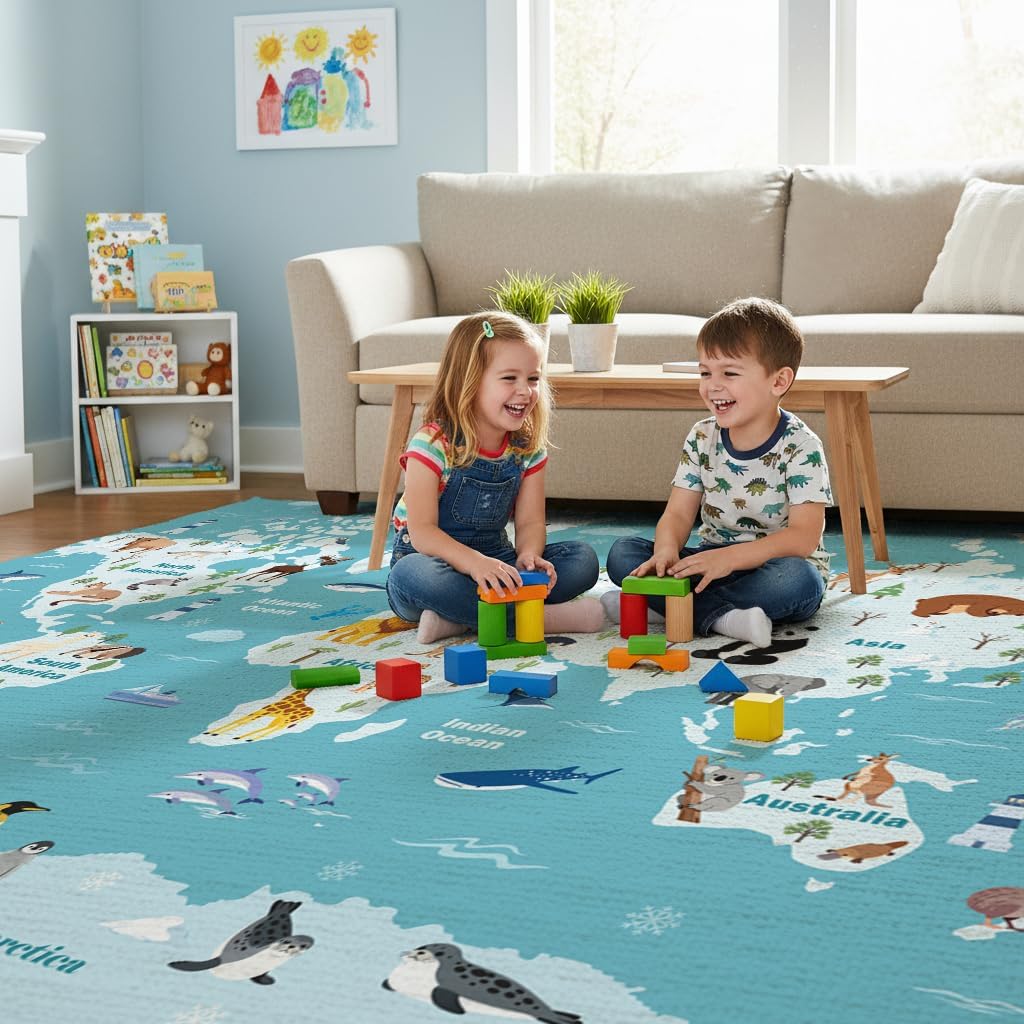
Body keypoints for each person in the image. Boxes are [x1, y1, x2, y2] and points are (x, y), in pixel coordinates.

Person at [605, 297, 832, 649]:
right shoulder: (701, 436)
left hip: (773, 566)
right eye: (705, 372)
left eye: (729, 373)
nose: (712, 385)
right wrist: (666, 550)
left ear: (778, 381)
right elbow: (678, 514)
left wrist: (729, 559)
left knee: (797, 581)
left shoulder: (802, 445)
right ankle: (722, 616)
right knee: (623, 553)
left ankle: (674, 606)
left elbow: (802, 538)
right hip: (708, 560)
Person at [386, 312, 602, 644]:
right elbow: (423, 533)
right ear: (469, 382)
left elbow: (531, 522)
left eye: (533, 378)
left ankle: (458, 620)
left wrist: (529, 554)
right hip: (433, 560)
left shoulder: (526, 449)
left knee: (582, 560)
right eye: (509, 378)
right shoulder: (432, 444)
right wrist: (475, 564)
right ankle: (543, 618)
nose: (525, 391)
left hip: (498, 561)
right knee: (410, 575)